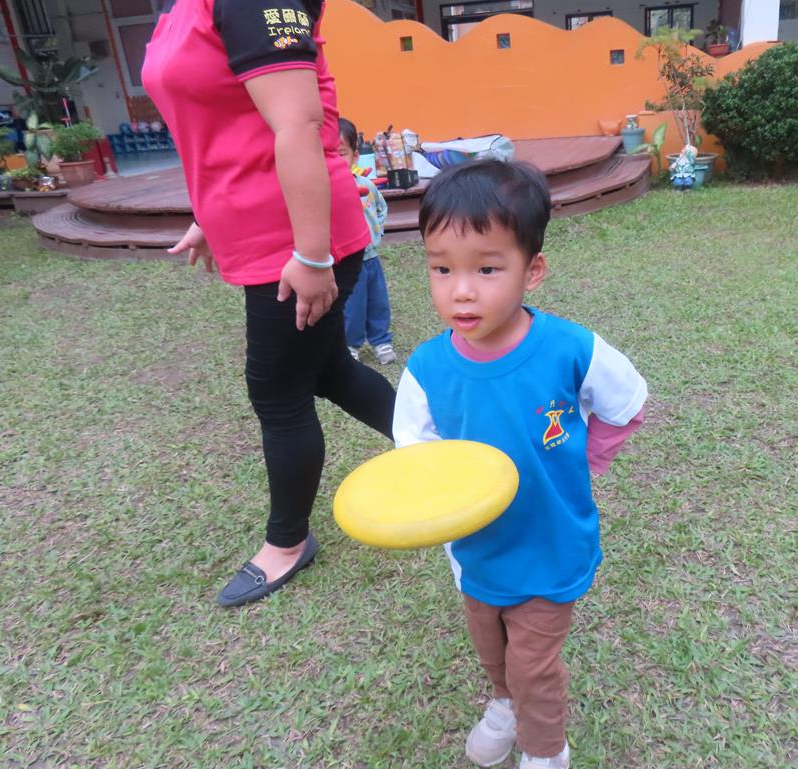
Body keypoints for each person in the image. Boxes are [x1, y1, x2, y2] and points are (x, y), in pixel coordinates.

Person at [392, 160, 647, 769]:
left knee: (533, 665)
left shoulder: (569, 348)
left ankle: (545, 751)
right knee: (491, 645)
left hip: (549, 542)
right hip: (475, 551)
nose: (461, 290)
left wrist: (586, 462)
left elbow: (627, 403)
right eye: (442, 268)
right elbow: (415, 454)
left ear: (532, 271)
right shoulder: (426, 369)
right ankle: (503, 703)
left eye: (487, 268)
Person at [142, 0, 396, 607]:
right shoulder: (185, 8)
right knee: (330, 371)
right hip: (266, 228)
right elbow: (223, 119)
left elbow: (298, 126)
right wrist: (210, 214)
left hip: (295, 239)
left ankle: (287, 543)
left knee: (278, 393)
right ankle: (444, 443)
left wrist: (312, 255)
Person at [336, 117, 396, 364]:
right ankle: (351, 344)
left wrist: (377, 229)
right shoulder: (327, 191)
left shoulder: (367, 186)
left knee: (378, 301)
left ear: (355, 155)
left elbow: (381, 208)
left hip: (371, 257)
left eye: (341, 153)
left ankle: (381, 341)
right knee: (353, 305)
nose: (335, 160)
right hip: (348, 260)